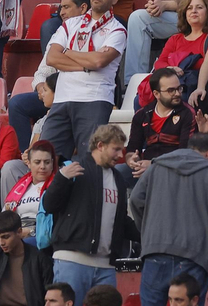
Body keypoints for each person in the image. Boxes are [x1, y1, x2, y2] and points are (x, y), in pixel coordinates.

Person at [130, 132, 208, 306]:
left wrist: (146, 232)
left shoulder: (156, 166)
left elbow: (135, 200)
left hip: (156, 250)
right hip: (196, 254)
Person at [41, 123, 135, 296]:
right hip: (72, 260)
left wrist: (147, 235)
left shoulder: (119, 179)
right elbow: (49, 205)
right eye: (116, 149)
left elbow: (121, 220)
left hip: (106, 266)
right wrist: (61, 179)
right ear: (100, 145)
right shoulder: (75, 169)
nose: (121, 155)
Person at [0, 210, 51, 306]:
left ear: (19, 232)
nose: (1, 242)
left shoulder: (39, 258)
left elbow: (49, 295)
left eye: (5, 237)